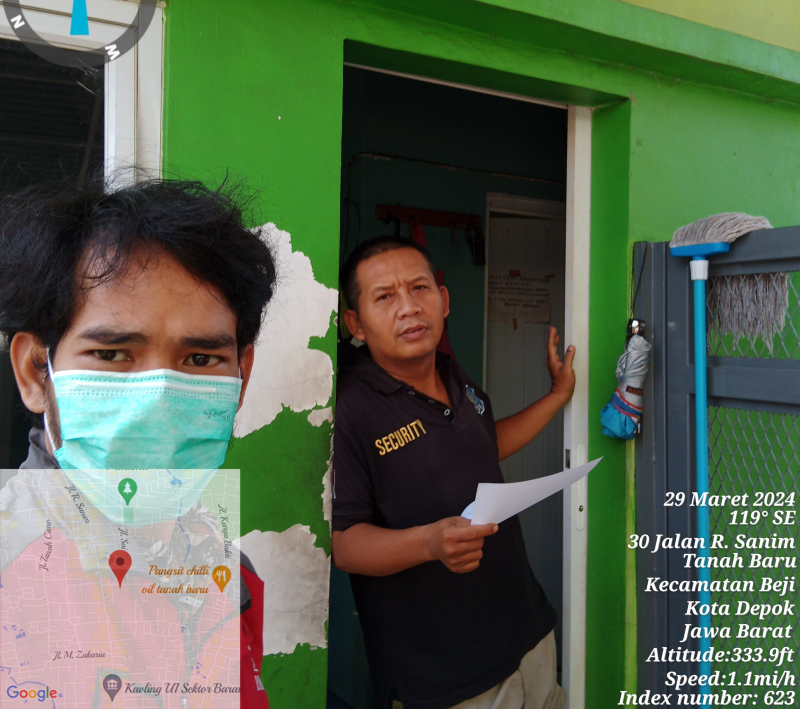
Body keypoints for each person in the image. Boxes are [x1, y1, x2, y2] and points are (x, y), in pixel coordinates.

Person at [0, 177, 275, 707]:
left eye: (201, 359)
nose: (157, 402)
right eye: (112, 354)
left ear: (240, 379)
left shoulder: (234, 576)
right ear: (36, 371)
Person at [333, 236, 576, 709]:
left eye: (419, 288)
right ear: (355, 323)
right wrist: (430, 543)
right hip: (447, 676)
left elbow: (484, 446)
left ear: (443, 300)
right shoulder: (350, 410)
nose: (408, 307)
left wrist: (556, 396)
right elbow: (345, 544)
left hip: (527, 635)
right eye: (384, 297)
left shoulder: (452, 373)